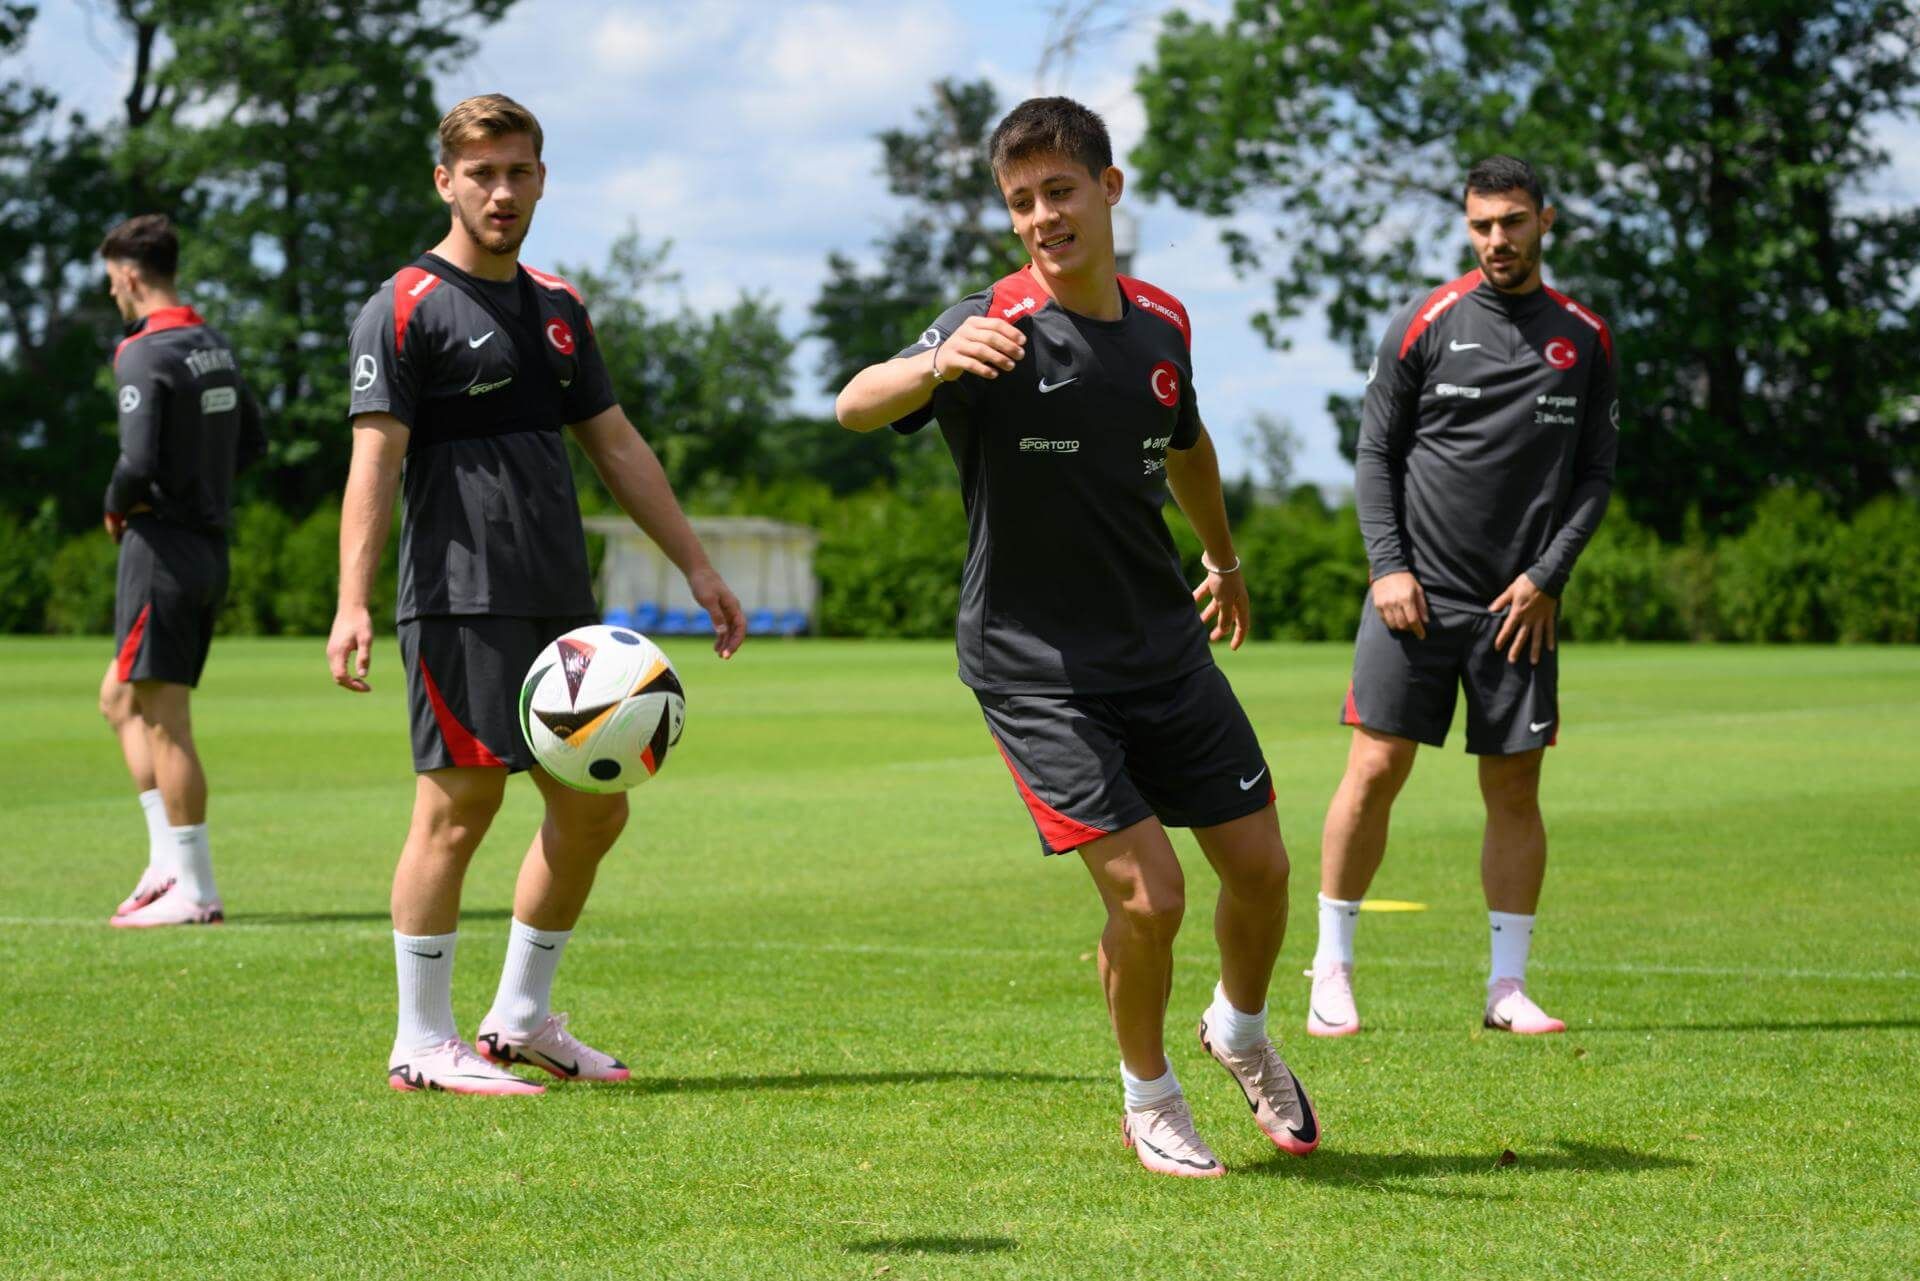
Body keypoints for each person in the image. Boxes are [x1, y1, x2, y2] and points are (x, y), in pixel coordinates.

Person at [835, 97, 1318, 1178]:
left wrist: (1226, 562)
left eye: (1060, 192)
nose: (1042, 217)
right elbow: (854, 404)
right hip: (1035, 667)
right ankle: (1149, 1097)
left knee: (1264, 867)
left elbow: (1185, 440)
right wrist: (937, 363)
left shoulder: (1161, 322)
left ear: (1110, 187)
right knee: (1151, 895)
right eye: (1021, 202)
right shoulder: (988, 323)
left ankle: (1238, 1029)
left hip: (1160, 643)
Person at [328, 93, 746, 1096]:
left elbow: (616, 444)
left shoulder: (559, 308)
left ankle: (520, 1019)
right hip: (459, 599)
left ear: (542, 179)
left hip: (565, 608)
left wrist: (695, 563)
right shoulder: (403, 306)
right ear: (446, 182)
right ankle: (421, 1041)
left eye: (518, 172)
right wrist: (352, 600)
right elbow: (373, 463)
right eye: (481, 173)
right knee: (458, 809)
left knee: (595, 809)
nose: (501, 191)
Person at [1308, 155, 1619, 1039]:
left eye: (1513, 222)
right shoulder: (1426, 321)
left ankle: (1506, 987)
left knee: (1515, 789)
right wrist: (1387, 566)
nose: (1496, 240)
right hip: (1413, 594)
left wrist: (1548, 575)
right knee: (1374, 769)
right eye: (1481, 224)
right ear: (1466, 224)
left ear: (1544, 221)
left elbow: (1596, 475)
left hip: (1519, 607)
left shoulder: (1585, 336)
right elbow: (1374, 454)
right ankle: (1331, 967)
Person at [99, 213, 267, 929]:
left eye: (111, 281)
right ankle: (167, 861)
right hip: (207, 548)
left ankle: (195, 888)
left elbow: (135, 463)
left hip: (161, 548)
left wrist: (116, 508)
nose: (112, 293)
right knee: (119, 699)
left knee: (166, 721)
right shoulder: (214, 346)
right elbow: (254, 441)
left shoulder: (144, 352)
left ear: (132, 276)